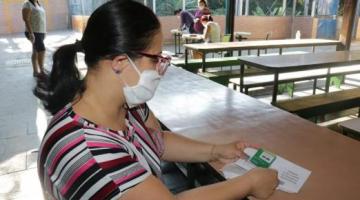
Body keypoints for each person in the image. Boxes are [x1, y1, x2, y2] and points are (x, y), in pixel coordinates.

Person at [35, 1, 278, 199]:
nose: (161, 68)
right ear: (120, 62)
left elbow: (154, 140)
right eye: (155, 59)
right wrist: (249, 184)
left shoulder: (125, 105)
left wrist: (215, 151)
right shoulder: (91, 154)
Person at [22, 0, 46, 76]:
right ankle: (42, 71)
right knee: (42, 50)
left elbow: (42, 18)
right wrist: (31, 33)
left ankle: (35, 72)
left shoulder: (38, 4)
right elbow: (26, 19)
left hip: (40, 31)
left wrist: (44, 32)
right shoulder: (27, 4)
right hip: (33, 32)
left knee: (35, 51)